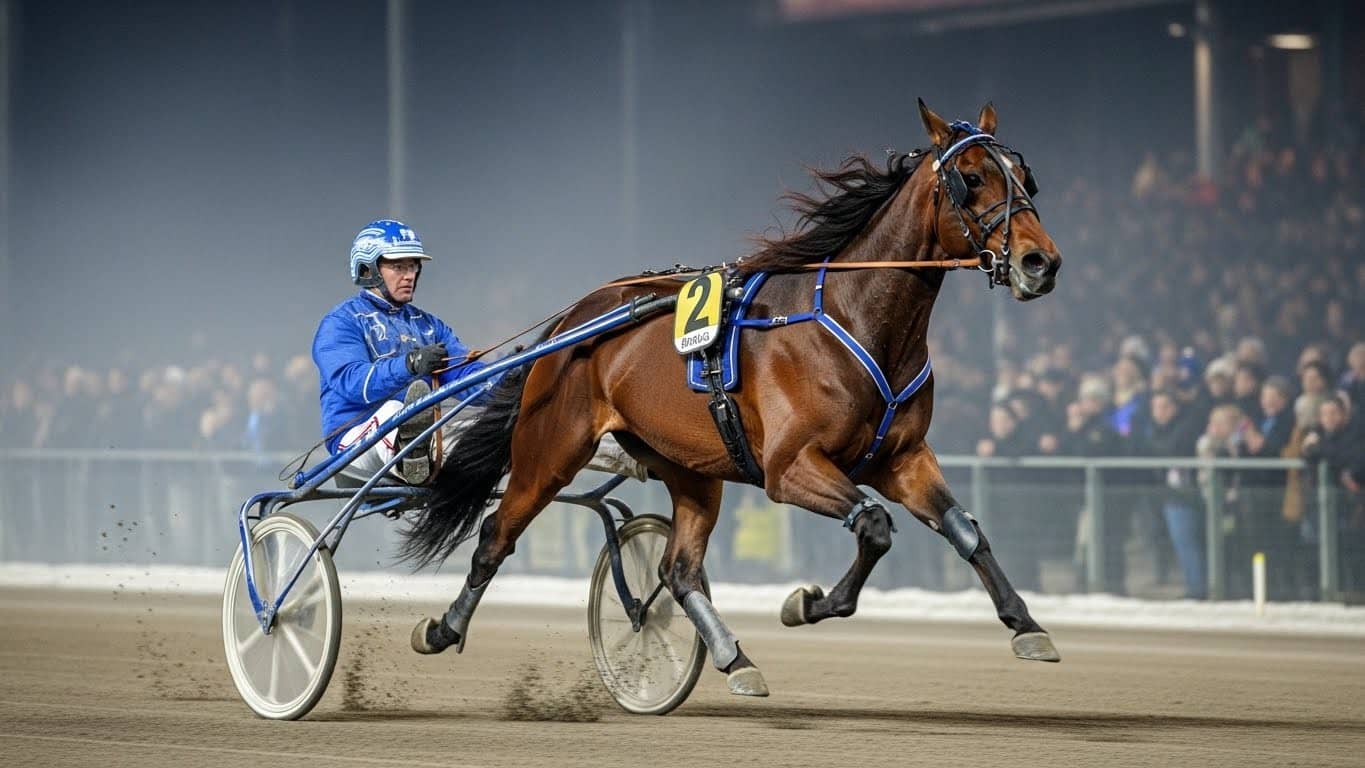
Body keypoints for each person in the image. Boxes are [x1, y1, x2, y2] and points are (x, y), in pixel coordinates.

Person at [313, 218, 644, 485]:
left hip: (431, 436)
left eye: (414, 266)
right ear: (368, 269)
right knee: (396, 414)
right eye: (399, 266)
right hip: (355, 441)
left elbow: (471, 383)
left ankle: (640, 457)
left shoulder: (430, 326)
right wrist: (411, 365)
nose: (410, 275)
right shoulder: (341, 322)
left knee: (539, 425)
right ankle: (411, 447)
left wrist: (521, 372)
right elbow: (350, 383)